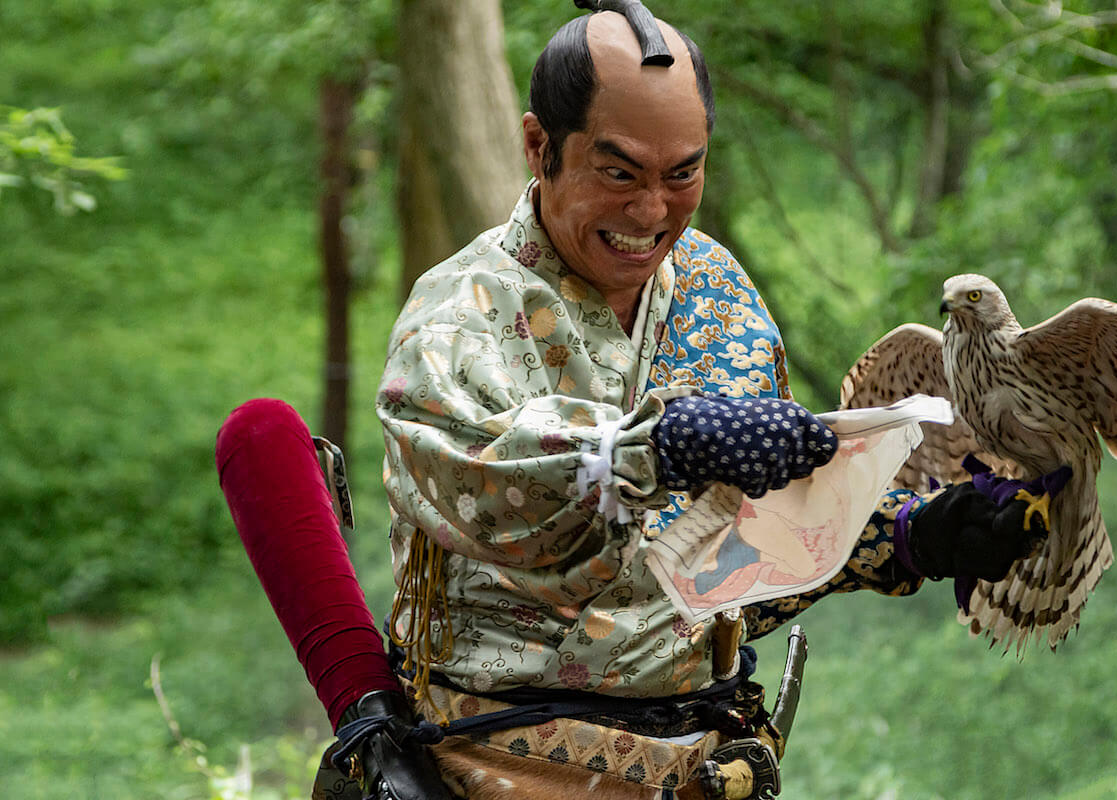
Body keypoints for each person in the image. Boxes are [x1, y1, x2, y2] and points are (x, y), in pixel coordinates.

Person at [216, 4, 1053, 799]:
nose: (651, 213)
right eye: (618, 173)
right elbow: (487, 485)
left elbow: (723, 559)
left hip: (707, 762)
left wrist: (905, 538)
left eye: (681, 175)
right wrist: (657, 446)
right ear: (539, 146)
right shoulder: (457, 314)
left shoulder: (718, 296)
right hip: (488, 768)